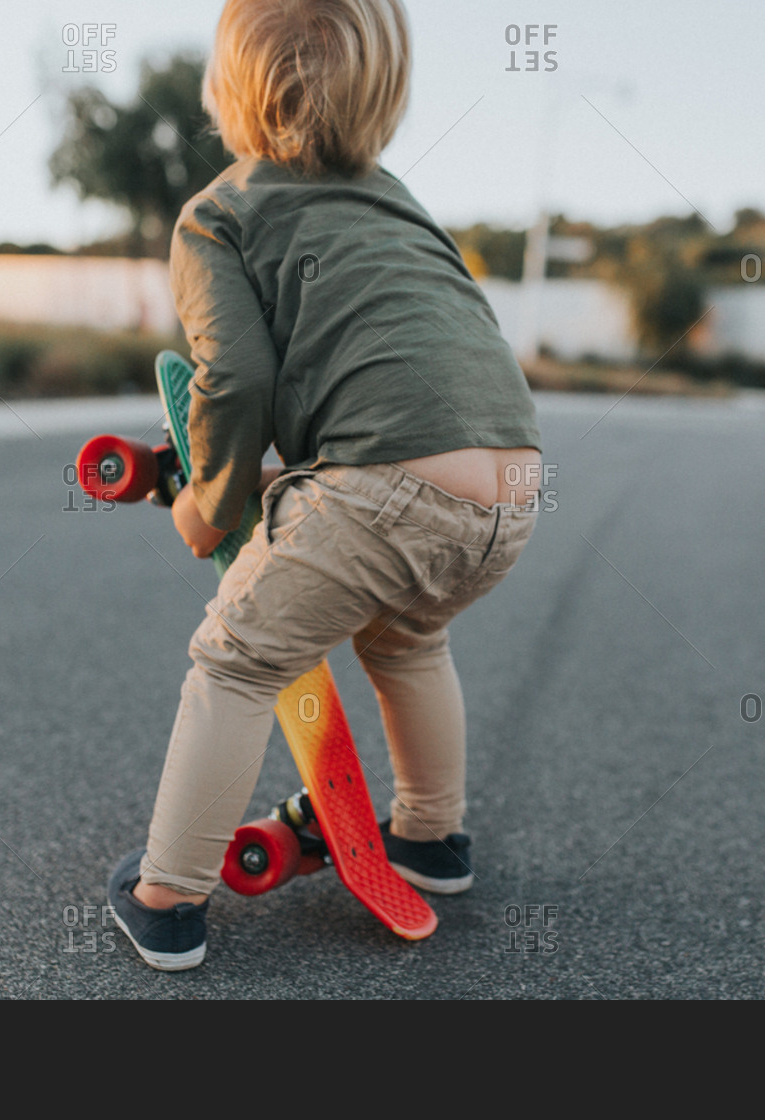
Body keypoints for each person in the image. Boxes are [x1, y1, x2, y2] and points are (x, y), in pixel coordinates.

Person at [106, 0, 545, 971]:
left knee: (236, 658)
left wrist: (207, 504)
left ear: (225, 91)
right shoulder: (399, 202)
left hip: (379, 487)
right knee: (410, 636)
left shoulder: (217, 215)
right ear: (385, 93)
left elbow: (239, 382)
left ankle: (168, 896)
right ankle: (432, 839)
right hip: (511, 486)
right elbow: (398, 379)